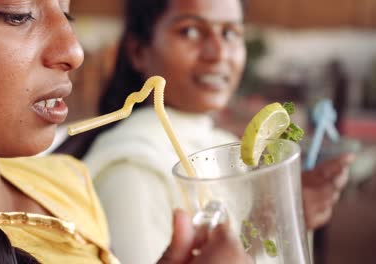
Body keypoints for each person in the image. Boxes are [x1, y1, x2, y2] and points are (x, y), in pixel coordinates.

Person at [0, 0, 253, 263]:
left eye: (66, 13)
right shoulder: (130, 163)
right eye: (18, 13)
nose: (73, 51)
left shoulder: (69, 182)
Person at [81, 0, 355, 263]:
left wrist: (285, 215)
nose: (219, 52)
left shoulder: (221, 143)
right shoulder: (132, 168)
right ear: (139, 51)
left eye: (230, 33)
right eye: (189, 31)